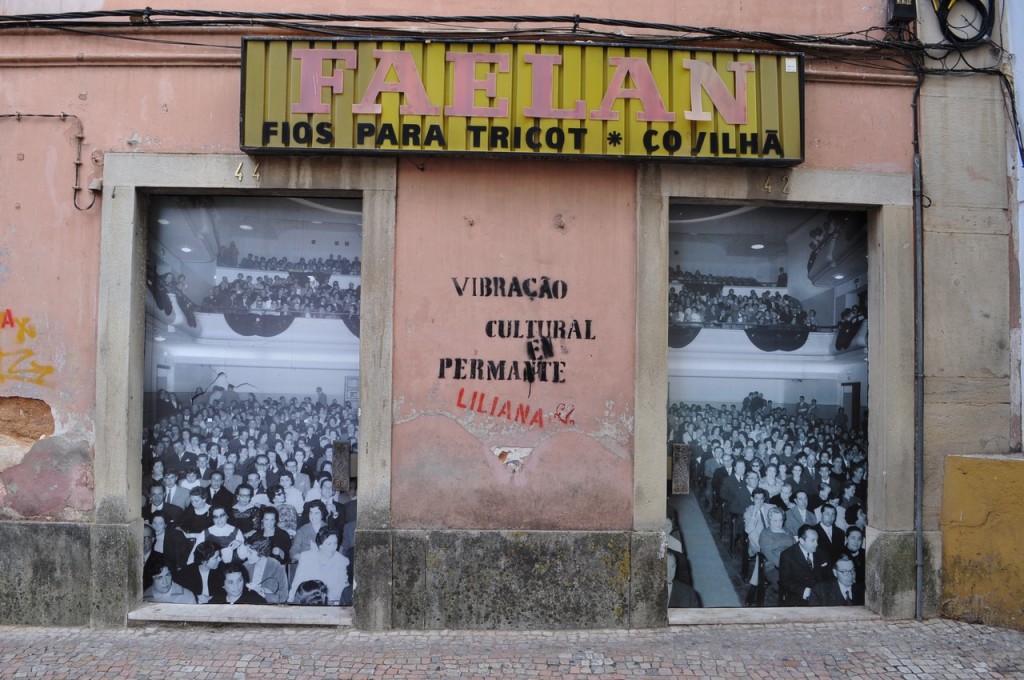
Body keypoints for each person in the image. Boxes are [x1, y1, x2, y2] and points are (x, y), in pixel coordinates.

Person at [289, 527, 349, 605]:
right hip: (311, 602)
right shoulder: (307, 557)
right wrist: (290, 601)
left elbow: (343, 588)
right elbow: (296, 584)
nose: (333, 548)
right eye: (329, 544)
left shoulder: (342, 561)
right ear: (320, 545)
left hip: (333, 603)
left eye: (335, 543)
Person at [778, 524, 830, 606]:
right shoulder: (787, 555)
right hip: (798, 595)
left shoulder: (822, 552)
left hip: (820, 594)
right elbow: (785, 581)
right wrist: (803, 591)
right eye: (812, 541)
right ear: (801, 541)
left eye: (817, 540)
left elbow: (828, 575)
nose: (816, 544)